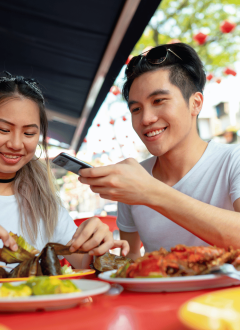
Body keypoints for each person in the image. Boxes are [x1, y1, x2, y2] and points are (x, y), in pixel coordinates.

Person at [78, 43, 240, 261]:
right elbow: (131, 259)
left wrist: (151, 191)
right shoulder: (134, 176)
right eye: (136, 109)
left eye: (159, 101)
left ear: (195, 103)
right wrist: (96, 249)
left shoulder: (232, 160)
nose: (146, 119)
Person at [0, 72, 129, 270]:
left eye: (29, 133)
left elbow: (82, 260)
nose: (16, 144)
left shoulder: (43, 200)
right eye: (3, 130)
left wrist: (96, 243)